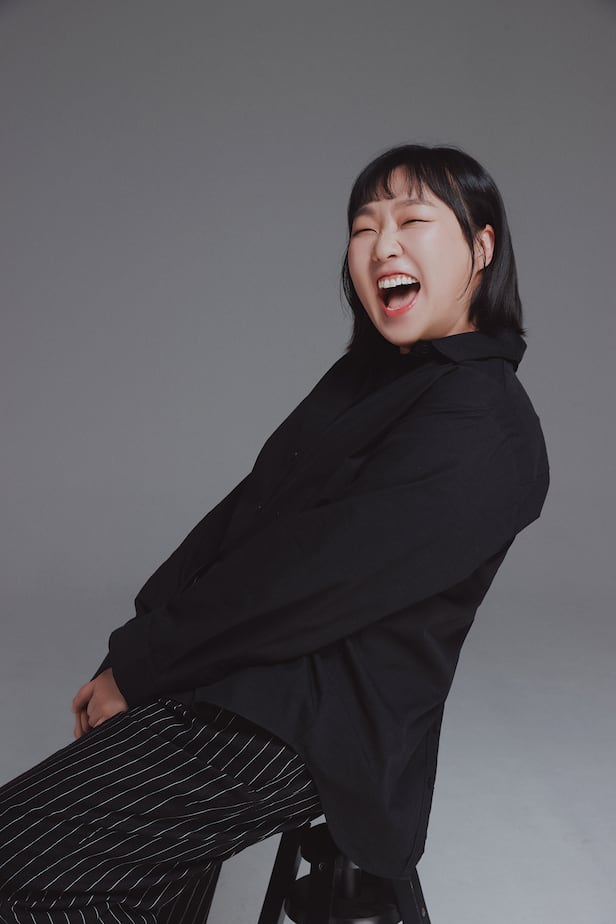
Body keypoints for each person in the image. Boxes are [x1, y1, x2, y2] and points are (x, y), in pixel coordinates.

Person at [0, 144, 549, 923]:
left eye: (413, 221)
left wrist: (146, 666)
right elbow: (245, 520)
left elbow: (304, 583)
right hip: (237, 675)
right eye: (364, 227)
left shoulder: (484, 425)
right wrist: (133, 651)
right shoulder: (373, 378)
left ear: (482, 247)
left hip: (300, 721)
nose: (382, 246)